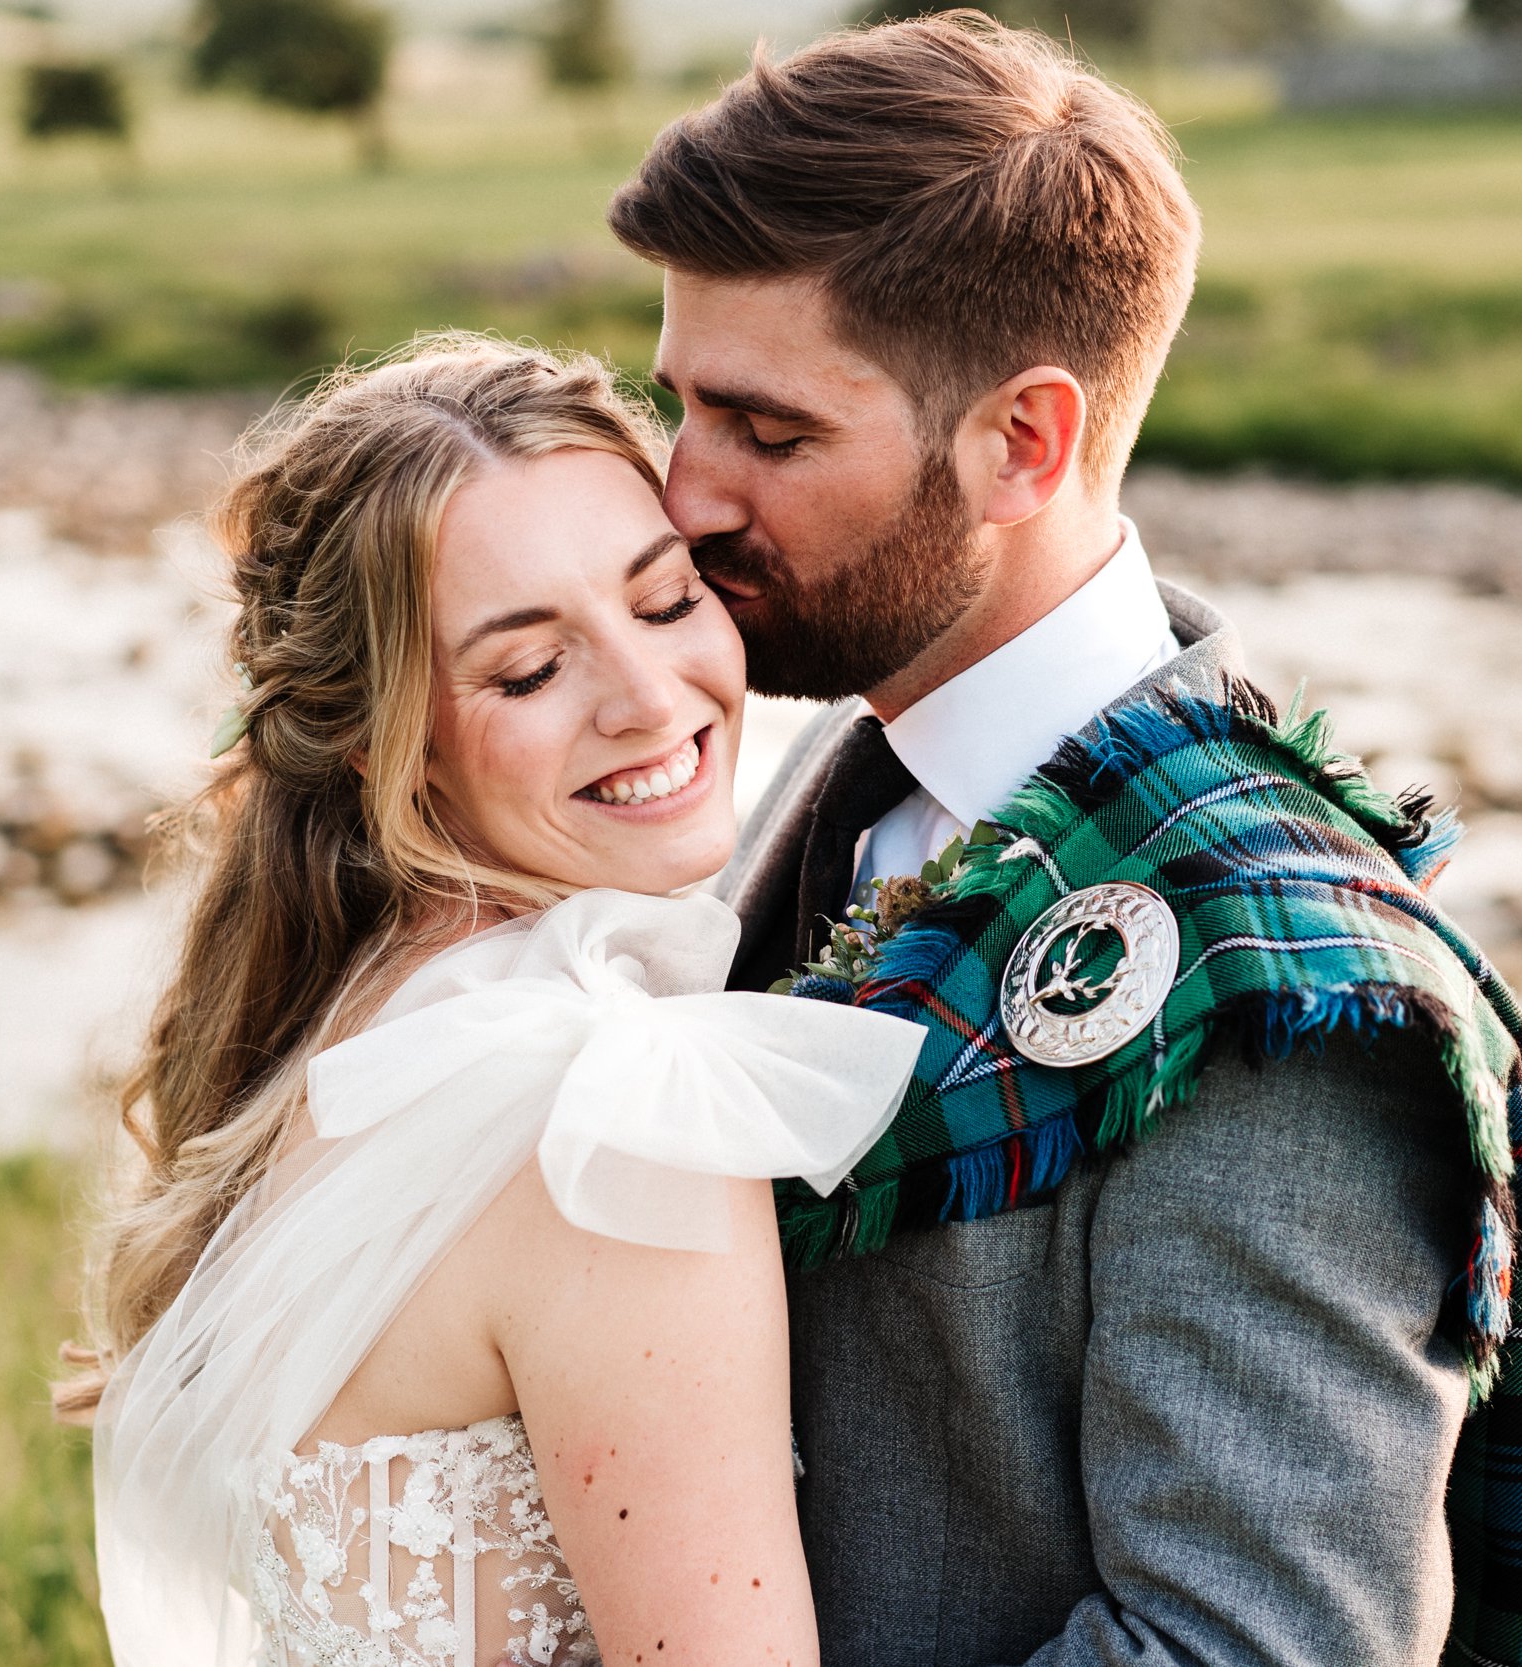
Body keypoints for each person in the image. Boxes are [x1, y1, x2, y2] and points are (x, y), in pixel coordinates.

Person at [609, 13, 1522, 1667]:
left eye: (768, 434)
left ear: (1024, 442)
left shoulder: (1282, 998)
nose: (681, 498)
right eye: (675, 403)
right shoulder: (846, 762)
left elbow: (1250, 1645)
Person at [59, 335, 926, 1667]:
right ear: (382, 737)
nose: (649, 699)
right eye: (528, 672)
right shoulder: (616, 1126)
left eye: (665, 599)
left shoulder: (342, 1017)